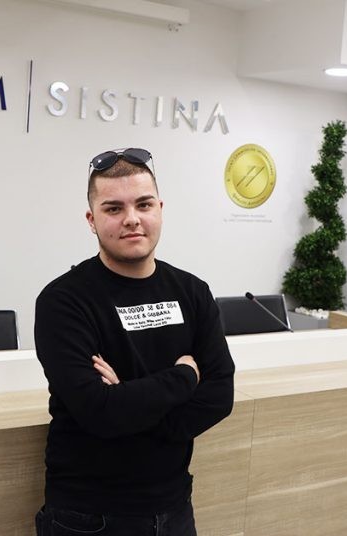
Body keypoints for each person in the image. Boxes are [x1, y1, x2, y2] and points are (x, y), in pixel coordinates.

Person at [33, 147, 236, 536]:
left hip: (175, 507)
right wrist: (183, 377)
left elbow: (219, 396)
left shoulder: (192, 291)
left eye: (143, 204)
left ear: (160, 209)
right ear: (92, 220)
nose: (132, 219)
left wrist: (129, 403)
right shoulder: (64, 301)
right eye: (113, 209)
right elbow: (98, 411)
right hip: (87, 517)